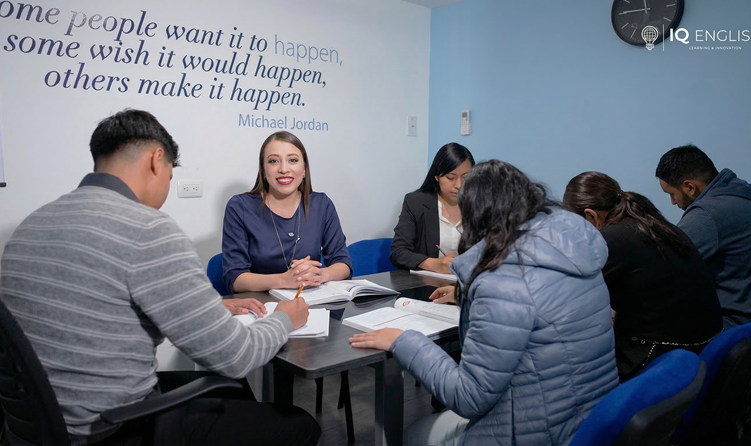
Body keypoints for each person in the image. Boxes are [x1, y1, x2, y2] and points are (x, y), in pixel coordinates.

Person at [0, 110, 320, 445]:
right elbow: (236, 357)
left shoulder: (30, 226)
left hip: (37, 427)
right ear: (157, 161)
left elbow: (94, 318)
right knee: (299, 425)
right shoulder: (148, 229)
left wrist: (209, 309)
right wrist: (285, 318)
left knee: (236, 391)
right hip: (112, 429)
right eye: (170, 174)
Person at [351, 160, 618, 446]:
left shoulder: (501, 280)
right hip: (590, 417)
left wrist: (403, 341)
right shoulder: (572, 251)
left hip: (536, 431)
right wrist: (465, 293)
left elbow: (468, 397)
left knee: (414, 436)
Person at [563, 171, 722, 381]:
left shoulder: (612, 239)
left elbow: (565, 295)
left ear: (591, 216)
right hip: (702, 350)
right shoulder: (655, 225)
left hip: (660, 358)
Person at [655, 145, 751, 328]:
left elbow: (660, 267)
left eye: (672, 194)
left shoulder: (707, 213)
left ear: (690, 187)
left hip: (744, 325)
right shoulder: (743, 195)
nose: (672, 201)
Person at [222, 131, 352, 293]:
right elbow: (234, 278)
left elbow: (343, 263)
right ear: (263, 170)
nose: (284, 169)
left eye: (293, 160)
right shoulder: (239, 206)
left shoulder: (321, 204)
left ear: (304, 169)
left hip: (311, 301)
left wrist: (319, 274)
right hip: (262, 306)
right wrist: (285, 280)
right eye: (274, 161)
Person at [390, 143, 474, 274]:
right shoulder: (416, 203)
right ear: (436, 176)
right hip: (428, 284)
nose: (459, 185)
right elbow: (398, 252)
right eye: (451, 178)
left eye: (466, 177)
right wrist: (434, 264)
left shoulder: (480, 205)